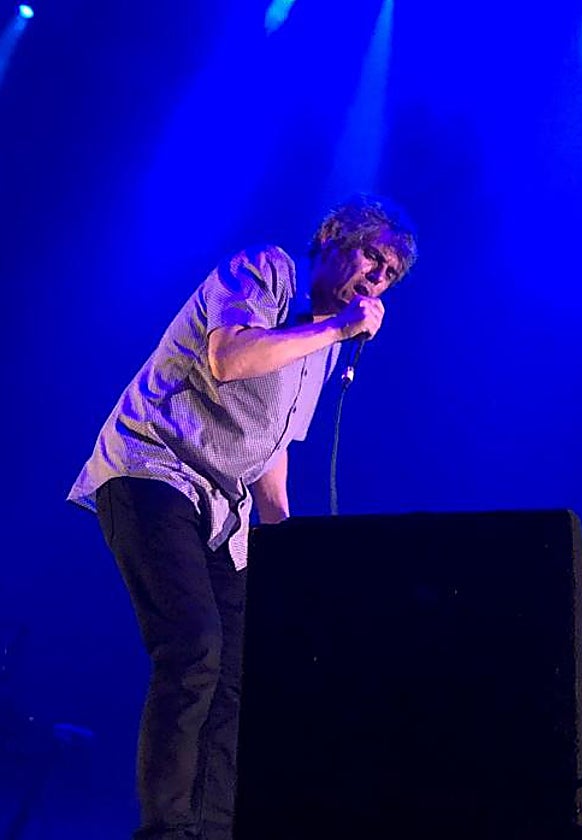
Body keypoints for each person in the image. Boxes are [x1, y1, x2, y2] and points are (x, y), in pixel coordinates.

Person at [67, 194, 417, 840]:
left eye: (390, 273)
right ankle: (167, 831)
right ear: (334, 237)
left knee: (236, 669)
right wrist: (337, 328)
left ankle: (213, 828)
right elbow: (229, 359)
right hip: (152, 469)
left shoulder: (321, 351)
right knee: (193, 643)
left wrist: (297, 549)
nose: (377, 277)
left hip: (219, 509)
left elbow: (269, 453)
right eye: (372, 255)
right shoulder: (265, 271)